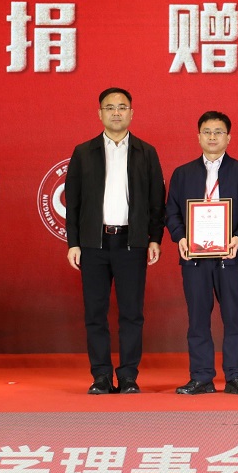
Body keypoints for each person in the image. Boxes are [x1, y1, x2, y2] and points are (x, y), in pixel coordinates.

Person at [64, 87, 165, 395]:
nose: (116, 112)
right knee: (95, 313)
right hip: (94, 244)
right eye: (110, 107)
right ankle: (101, 376)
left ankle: (129, 375)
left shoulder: (146, 152)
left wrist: (155, 238)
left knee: (132, 313)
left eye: (122, 107)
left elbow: (157, 201)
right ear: (100, 113)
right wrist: (73, 242)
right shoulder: (84, 152)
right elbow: (73, 202)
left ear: (131, 113)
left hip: (131, 244)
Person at [164, 110, 238, 395]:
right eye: (207, 132)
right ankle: (201, 377)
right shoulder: (182, 174)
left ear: (228, 137)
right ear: (198, 137)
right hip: (194, 258)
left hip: (230, 257)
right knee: (197, 319)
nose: (212, 137)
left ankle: (236, 376)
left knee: (233, 317)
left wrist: (237, 238)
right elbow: (171, 212)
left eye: (218, 132)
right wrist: (180, 237)